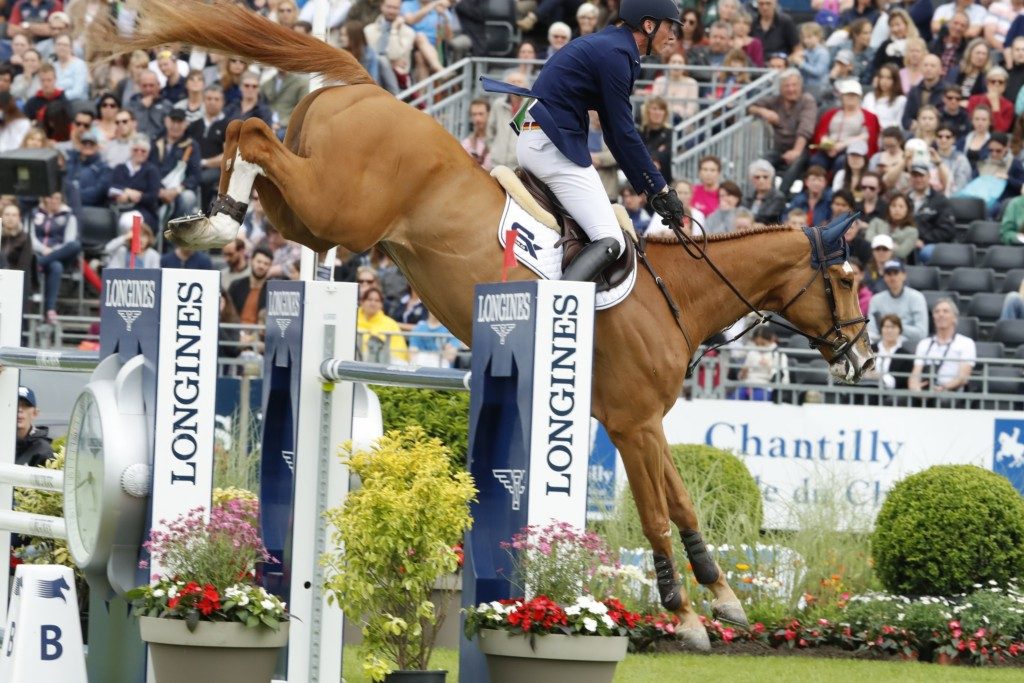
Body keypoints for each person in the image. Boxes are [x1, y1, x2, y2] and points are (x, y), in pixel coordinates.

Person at [482, 0, 685, 284]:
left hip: (538, 138)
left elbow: (614, 133)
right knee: (611, 239)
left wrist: (652, 190)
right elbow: (623, 131)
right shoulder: (617, 54)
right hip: (552, 147)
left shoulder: (610, 45)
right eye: (669, 26)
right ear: (649, 26)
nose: (673, 35)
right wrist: (661, 189)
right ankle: (560, 305)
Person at [747, 68, 817, 194]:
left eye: (794, 85)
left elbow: (805, 128)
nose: (790, 89)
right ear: (780, 88)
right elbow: (750, 106)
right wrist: (764, 111)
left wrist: (796, 151)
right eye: (786, 86)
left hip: (801, 148)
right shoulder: (776, 100)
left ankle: (780, 197)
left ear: (800, 86)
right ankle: (767, 194)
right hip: (779, 149)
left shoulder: (807, 100)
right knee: (762, 164)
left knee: (795, 163)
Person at [809, 79, 880, 174]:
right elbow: (821, 133)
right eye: (848, 95)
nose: (850, 98)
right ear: (842, 96)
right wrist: (826, 143)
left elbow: (867, 136)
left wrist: (842, 145)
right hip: (828, 149)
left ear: (859, 97)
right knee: (816, 161)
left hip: (851, 150)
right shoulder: (831, 114)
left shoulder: (869, 117)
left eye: (854, 95)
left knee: (842, 162)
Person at [31, 191, 81, 324]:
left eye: (57, 198)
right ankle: (50, 310)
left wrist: (52, 251)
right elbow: (31, 237)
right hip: (38, 252)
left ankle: (38, 263)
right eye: (51, 197)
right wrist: (43, 249)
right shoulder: (35, 213)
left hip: (59, 254)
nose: (54, 201)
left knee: (75, 245)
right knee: (56, 267)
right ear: (45, 198)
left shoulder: (69, 216)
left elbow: (69, 241)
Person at [908, 298, 976, 394]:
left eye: (946, 311)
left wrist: (942, 388)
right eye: (937, 312)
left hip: (951, 392)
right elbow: (916, 373)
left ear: (954, 318)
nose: (941, 315)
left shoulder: (966, 343)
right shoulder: (924, 344)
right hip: (926, 390)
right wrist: (915, 388)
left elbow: (963, 377)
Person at [866, 258, 930, 346]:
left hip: (908, 346)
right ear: (884, 277)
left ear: (904, 275)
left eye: (896, 273)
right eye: (888, 274)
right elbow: (872, 332)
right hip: (882, 346)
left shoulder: (917, 297)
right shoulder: (876, 300)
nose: (892, 277)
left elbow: (922, 333)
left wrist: (895, 326)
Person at [908, 160, 956, 263]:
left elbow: (947, 230)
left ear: (929, 177)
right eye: (915, 176)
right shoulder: (903, 199)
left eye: (921, 176)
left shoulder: (940, 200)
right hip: (905, 242)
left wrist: (923, 240)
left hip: (929, 244)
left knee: (927, 252)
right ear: (910, 178)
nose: (918, 179)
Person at [732, 326, 789, 401]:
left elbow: (784, 379)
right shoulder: (752, 353)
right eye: (757, 344)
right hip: (746, 386)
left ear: (771, 340)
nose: (760, 347)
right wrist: (743, 373)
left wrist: (769, 365)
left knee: (757, 400)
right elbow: (741, 377)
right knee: (733, 399)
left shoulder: (779, 355)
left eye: (763, 344)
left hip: (765, 387)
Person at [485, 71, 528, 169]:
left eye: (519, 81)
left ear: (525, 85)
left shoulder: (530, 106)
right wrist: (493, 150)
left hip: (519, 165)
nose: (516, 84)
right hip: (497, 162)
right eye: (513, 81)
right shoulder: (498, 104)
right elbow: (490, 131)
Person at [357, 285, 409, 363]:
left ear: (381, 304)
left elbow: (399, 352)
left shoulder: (390, 324)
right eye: (369, 299)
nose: (373, 303)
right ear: (362, 302)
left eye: (377, 300)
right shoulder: (352, 320)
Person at [865, 313, 914, 390]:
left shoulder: (905, 355)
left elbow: (901, 381)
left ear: (899, 330)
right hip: (866, 386)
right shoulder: (869, 349)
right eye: (886, 327)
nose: (890, 330)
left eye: (893, 327)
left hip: (889, 392)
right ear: (881, 329)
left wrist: (880, 377)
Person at [866, 193, 919, 263]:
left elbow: (902, 253)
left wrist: (878, 242)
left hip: (896, 265)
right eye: (893, 206)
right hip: (872, 262)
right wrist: (894, 245)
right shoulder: (876, 222)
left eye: (901, 206)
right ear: (889, 208)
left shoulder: (912, 231)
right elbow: (868, 240)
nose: (897, 209)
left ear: (907, 210)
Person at [228, 245, 274, 325]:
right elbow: (228, 312)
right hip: (235, 332)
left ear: (270, 266)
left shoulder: (273, 291)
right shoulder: (236, 286)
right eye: (259, 262)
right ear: (251, 261)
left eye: (266, 264)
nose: (261, 266)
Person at [15, 386, 54, 467]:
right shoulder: (3, 442)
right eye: (15, 403)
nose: (19, 409)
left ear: (35, 413)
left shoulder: (43, 450)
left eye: (25, 405)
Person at [863, 63, 907, 131]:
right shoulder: (869, 97)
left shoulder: (901, 100)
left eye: (888, 78)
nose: (884, 81)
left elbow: (899, 124)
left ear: (895, 81)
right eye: (882, 77)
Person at [743, 159, 786, 225]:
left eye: (765, 177)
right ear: (751, 179)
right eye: (757, 177)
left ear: (771, 178)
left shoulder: (778, 197)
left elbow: (767, 217)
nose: (761, 180)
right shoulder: (748, 197)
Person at [461, 98, 492, 170]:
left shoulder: (498, 141)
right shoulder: (466, 144)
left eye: (481, 114)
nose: (477, 118)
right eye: (474, 114)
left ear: (489, 114)